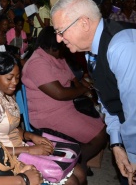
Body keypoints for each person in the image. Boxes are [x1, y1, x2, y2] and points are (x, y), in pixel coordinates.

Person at [50, 0, 136, 185]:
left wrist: (134, 156)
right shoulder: (95, 49)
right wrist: (116, 143)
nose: (58, 39)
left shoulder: (122, 47)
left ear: (84, 23)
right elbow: (108, 100)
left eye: (61, 31)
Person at [0, 52, 86, 185]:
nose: (14, 83)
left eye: (17, 78)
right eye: (10, 78)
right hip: (8, 159)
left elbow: (11, 128)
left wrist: (30, 136)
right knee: (72, 181)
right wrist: (29, 150)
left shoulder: (5, 93)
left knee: (80, 172)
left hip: (20, 148)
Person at [22, 26, 107, 173]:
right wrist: (84, 89)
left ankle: (75, 158)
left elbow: (72, 77)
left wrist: (85, 85)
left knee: (101, 124)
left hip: (65, 108)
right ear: (54, 46)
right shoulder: (37, 62)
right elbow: (59, 94)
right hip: (47, 114)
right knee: (99, 135)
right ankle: (78, 163)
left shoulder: (56, 57)